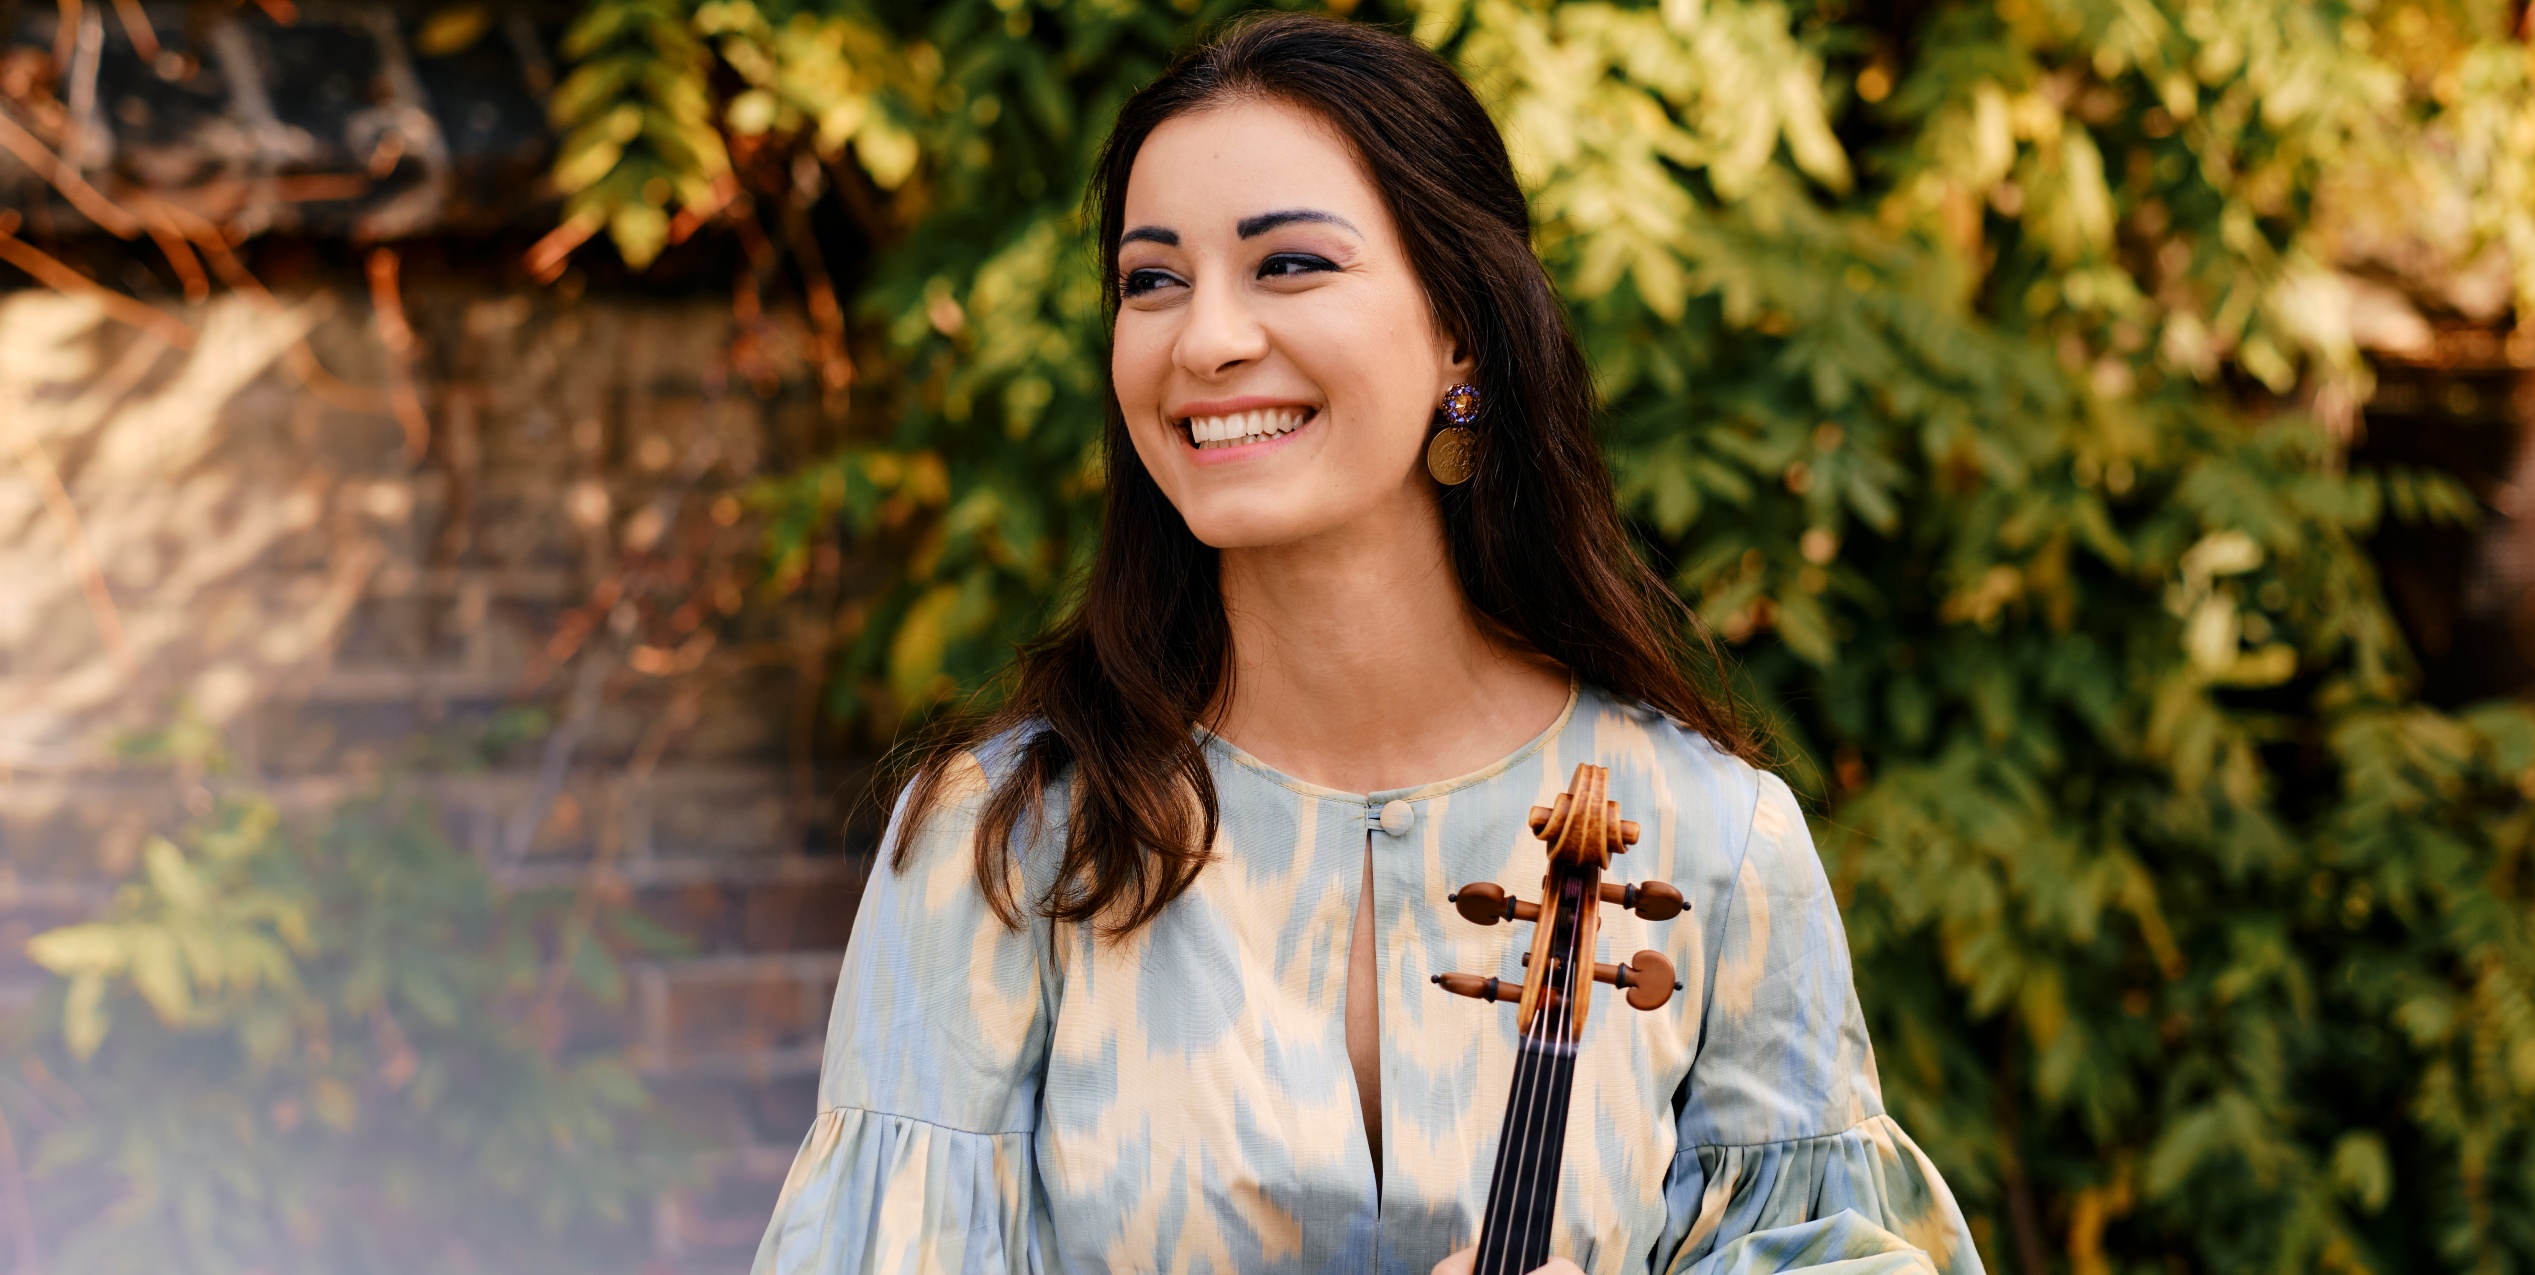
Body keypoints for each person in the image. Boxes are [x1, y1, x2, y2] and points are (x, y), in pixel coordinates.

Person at [750, 13, 1982, 1274]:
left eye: (1287, 265)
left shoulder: (1718, 841)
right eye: (1152, 279)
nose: (1206, 339)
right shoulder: (1004, 843)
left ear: (1461, 328)